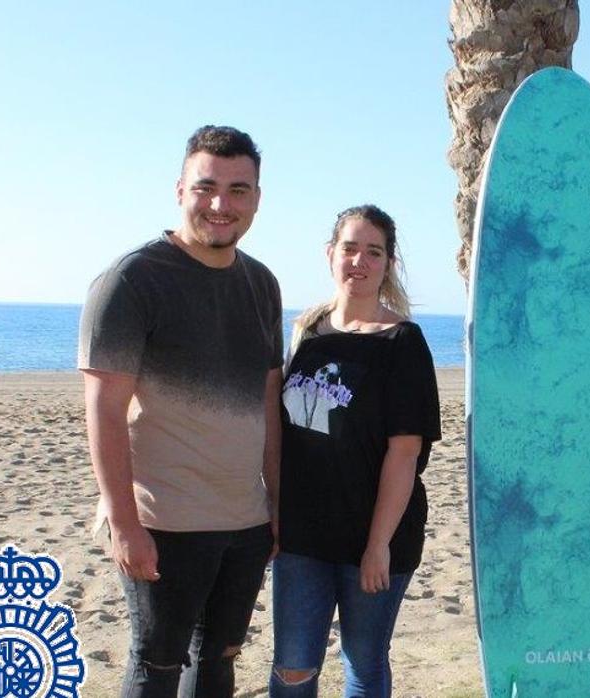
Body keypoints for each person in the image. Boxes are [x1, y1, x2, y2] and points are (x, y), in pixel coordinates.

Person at [78, 125, 283, 697]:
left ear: (257, 199)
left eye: (239, 189)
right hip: (162, 521)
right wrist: (124, 522)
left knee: (218, 660)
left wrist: (277, 501)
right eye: (207, 187)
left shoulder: (261, 284)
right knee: (157, 663)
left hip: (243, 520)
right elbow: (104, 409)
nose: (222, 204)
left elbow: (268, 400)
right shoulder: (131, 280)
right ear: (180, 190)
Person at [269, 204, 441, 697]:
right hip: (302, 536)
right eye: (349, 248)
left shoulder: (402, 343)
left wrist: (377, 545)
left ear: (388, 264)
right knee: (293, 666)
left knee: (363, 662)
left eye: (373, 252)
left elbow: (405, 454)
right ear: (330, 254)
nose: (359, 262)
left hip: (376, 535)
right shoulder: (308, 331)